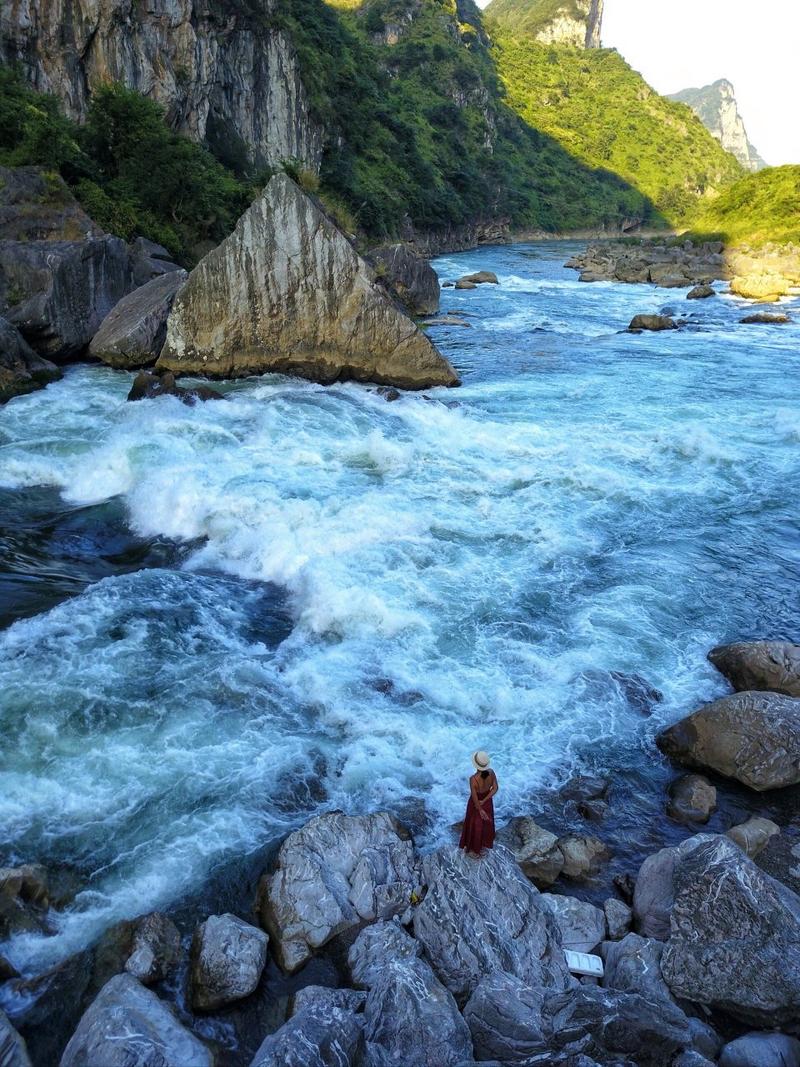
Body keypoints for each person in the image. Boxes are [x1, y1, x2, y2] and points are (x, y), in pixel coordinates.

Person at [458, 750, 498, 856]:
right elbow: (495, 788)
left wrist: (480, 809)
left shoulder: (473, 779)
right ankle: (485, 843)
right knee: (485, 824)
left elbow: (475, 799)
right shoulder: (491, 772)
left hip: (476, 804)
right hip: (488, 801)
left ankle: (475, 849)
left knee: (474, 825)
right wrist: (485, 800)